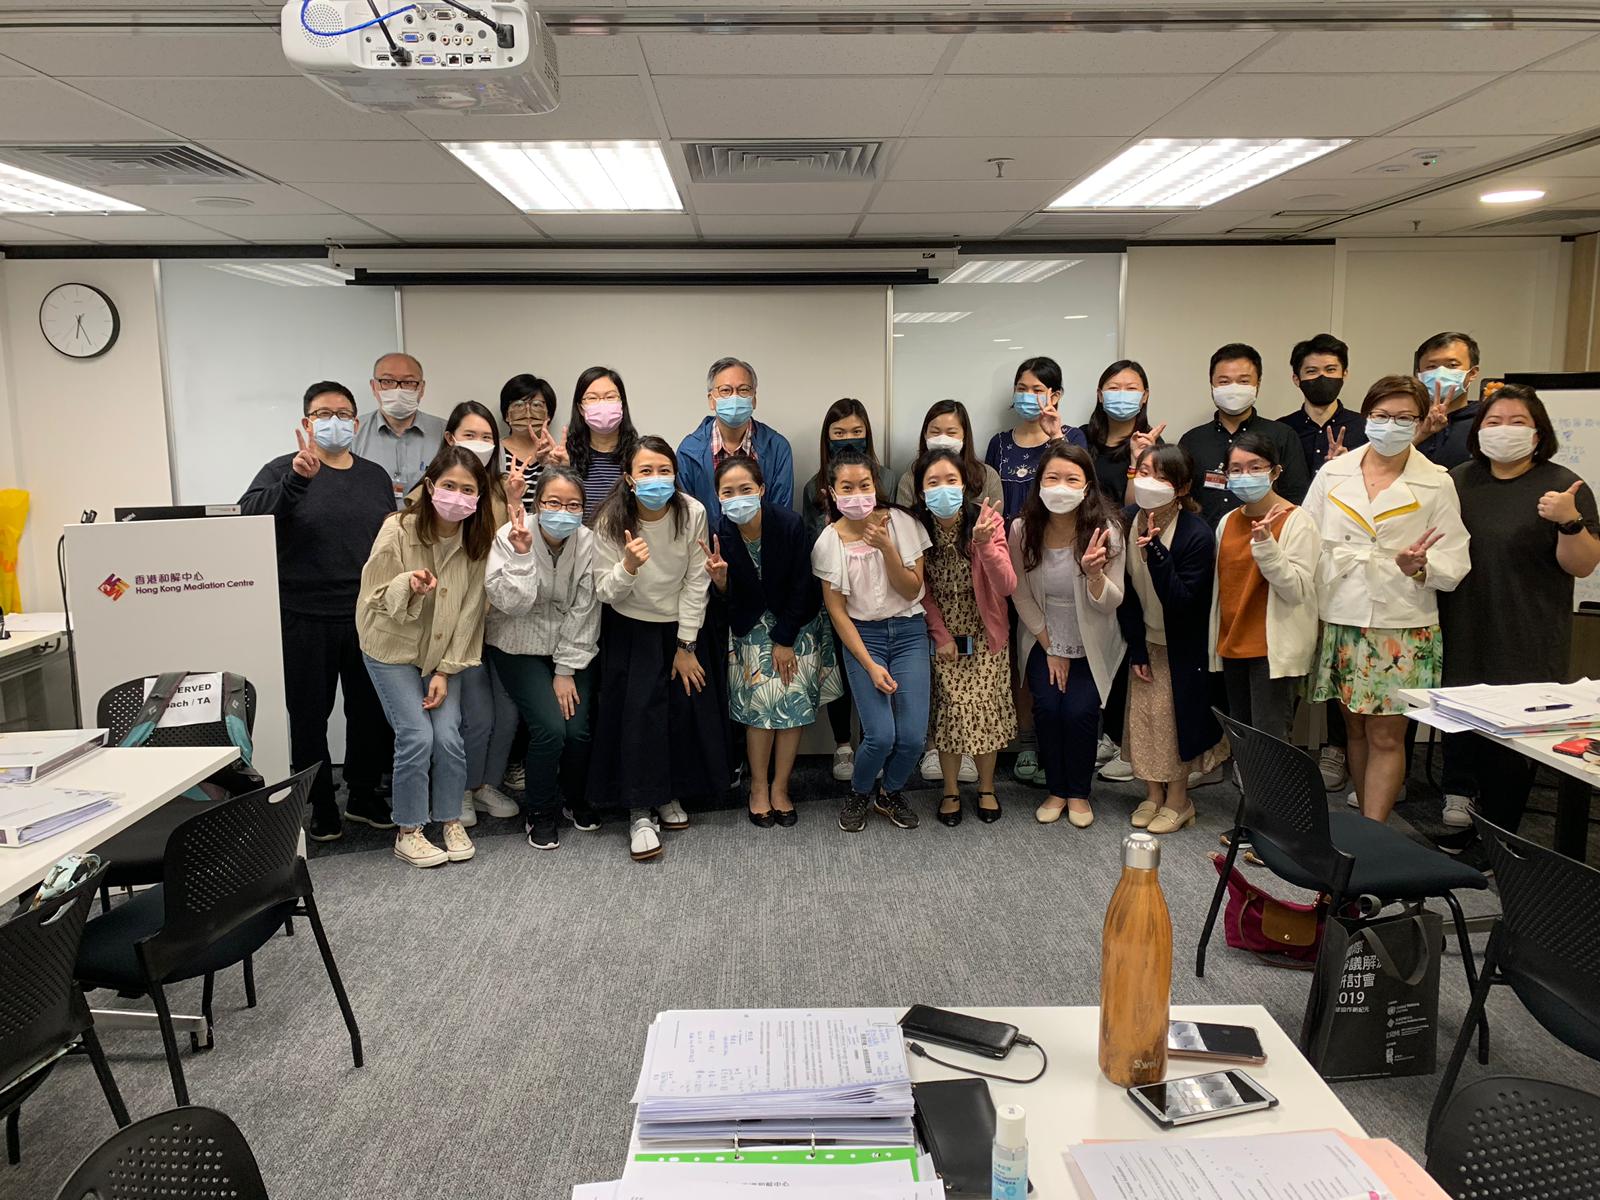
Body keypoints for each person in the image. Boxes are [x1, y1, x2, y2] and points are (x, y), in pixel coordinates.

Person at [1303, 375, 1471, 823]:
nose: (1390, 425)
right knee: (1354, 729)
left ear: (1420, 422)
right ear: (1367, 417)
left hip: (1402, 624)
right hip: (1341, 615)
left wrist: (1422, 567)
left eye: (1403, 418)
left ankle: (1373, 835)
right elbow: (1306, 537)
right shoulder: (1334, 472)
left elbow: (1456, 557)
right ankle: (1364, 824)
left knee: (1386, 736)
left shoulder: (1436, 481)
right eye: (1381, 415)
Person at [1437, 384, 1600, 846]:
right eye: (1493, 421)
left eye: (1517, 422)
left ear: (1538, 432)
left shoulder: (1564, 485)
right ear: (1478, 430)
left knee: (1511, 742)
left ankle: (1502, 838)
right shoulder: (1458, 480)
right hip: (1461, 625)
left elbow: (1583, 564)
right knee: (1461, 725)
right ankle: (1461, 813)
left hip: (1528, 633)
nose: (1503, 430)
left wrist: (1568, 521)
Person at [239, 381, 396, 841]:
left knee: (369, 712)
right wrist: (296, 481)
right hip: (303, 616)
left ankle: (363, 794)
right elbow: (248, 515)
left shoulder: (374, 476)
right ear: (307, 423)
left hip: (366, 614)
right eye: (323, 414)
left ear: (356, 422)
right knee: (310, 716)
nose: (334, 422)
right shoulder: (282, 469)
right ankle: (320, 802)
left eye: (343, 413)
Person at [588, 436, 729, 861]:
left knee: (682, 708)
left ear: (675, 474)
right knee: (638, 717)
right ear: (629, 478)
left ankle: (668, 794)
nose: (656, 479)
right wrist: (628, 566)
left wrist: (686, 644)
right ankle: (639, 812)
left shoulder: (692, 511)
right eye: (645, 471)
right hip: (631, 628)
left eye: (664, 470)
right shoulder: (610, 520)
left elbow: (696, 582)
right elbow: (605, 591)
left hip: (681, 626)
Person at [357, 445, 494, 868]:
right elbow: (373, 596)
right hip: (391, 649)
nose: (457, 496)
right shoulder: (398, 528)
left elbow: (471, 613)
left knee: (448, 735)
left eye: (467, 489)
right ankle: (409, 831)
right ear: (431, 486)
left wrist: (446, 671)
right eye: (449, 485)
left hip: (442, 656)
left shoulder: (477, 540)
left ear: (479, 496)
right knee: (417, 735)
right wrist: (408, 586)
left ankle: (450, 819)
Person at [707, 457, 842, 827]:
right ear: (718, 497)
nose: (737, 497)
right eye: (728, 492)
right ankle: (758, 788)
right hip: (749, 627)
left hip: (795, 624)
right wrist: (721, 583)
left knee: (792, 706)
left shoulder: (788, 523)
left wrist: (784, 639)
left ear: (761, 490)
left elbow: (803, 584)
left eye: (745, 489)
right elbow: (728, 602)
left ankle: (781, 787)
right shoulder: (719, 532)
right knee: (761, 710)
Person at [412, 403, 521, 829]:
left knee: (506, 713)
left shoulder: (502, 490)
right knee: (474, 716)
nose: (479, 444)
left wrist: (515, 503)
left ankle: (484, 784)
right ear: (450, 439)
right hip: (456, 625)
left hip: (501, 622)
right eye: (469, 435)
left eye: (487, 437)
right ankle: (460, 788)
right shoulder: (431, 494)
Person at [812, 447, 932, 833]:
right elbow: (837, 612)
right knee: (880, 736)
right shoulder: (828, 542)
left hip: (909, 632)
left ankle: (890, 792)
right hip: (863, 637)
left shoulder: (903, 523)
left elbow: (912, 589)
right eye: (846, 487)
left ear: (876, 485)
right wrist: (869, 664)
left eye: (864, 485)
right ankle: (860, 792)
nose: (857, 494)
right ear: (832, 492)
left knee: (912, 737)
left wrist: (886, 547)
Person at [1008, 444, 1126, 828]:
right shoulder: (1022, 529)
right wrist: (1051, 647)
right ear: (1039, 483)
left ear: (1087, 486)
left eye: (1072, 479)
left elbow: (1113, 601)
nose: (1061, 487)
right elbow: (1019, 593)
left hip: (1092, 639)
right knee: (1048, 709)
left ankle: (1078, 792)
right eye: (1052, 478)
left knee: (1079, 712)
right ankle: (1056, 790)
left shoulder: (1107, 531)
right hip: (1041, 635)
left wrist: (1094, 575)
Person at [483, 467, 600, 851]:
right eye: (553, 502)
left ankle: (575, 798)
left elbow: (586, 609)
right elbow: (510, 605)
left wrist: (565, 670)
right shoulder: (511, 534)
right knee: (550, 728)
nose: (563, 512)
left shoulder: (588, 542)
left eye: (573, 505)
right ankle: (540, 810)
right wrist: (521, 555)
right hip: (517, 644)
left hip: (571, 647)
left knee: (578, 729)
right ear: (537, 503)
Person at [1119, 444, 1228, 834]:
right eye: (1144, 472)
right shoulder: (1127, 520)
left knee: (1173, 723)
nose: (1150, 482)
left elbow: (1183, 603)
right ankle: (1152, 794)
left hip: (1183, 646)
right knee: (1143, 720)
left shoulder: (1197, 533)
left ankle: (1179, 801)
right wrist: (1135, 647)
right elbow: (1126, 594)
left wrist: (1157, 553)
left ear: (1181, 488)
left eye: (1162, 477)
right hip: (1146, 638)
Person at [911, 448, 1017, 825]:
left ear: (964, 485)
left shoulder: (986, 520)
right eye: (933, 482)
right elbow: (920, 590)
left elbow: (1006, 585)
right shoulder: (916, 527)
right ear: (921, 491)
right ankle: (951, 790)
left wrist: (984, 544)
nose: (943, 488)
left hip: (986, 635)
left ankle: (987, 788)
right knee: (950, 717)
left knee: (985, 714)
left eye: (951, 480)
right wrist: (940, 635)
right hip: (943, 637)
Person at [801, 398, 899, 785]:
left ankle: (875, 744)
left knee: (877, 668)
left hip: (880, 594)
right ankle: (843, 744)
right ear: (827, 437)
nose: (848, 439)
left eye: (856, 431)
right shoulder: (814, 486)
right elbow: (811, 541)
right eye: (839, 432)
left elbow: (896, 530)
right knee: (840, 669)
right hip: (835, 592)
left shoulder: (887, 478)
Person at [1207, 433, 1320, 744]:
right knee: (1242, 742)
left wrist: (1267, 546)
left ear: (1275, 471)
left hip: (1272, 651)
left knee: (1270, 744)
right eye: (1236, 469)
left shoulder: (1298, 521)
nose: (1246, 475)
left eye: (1255, 467)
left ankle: (1270, 782)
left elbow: (1296, 590)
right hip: (1232, 645)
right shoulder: (1227, 521)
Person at [1179, 343, 1309, 527]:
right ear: (1212, 385)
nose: (1234, 389)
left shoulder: (1282, 436)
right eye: (1224, 382)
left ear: (1258, 384)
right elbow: (1181, 499)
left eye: (1243, 381)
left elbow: (1296, 497)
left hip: (1268, 537)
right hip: (1205, 541)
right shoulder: (1192, 440)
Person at [678, 356, 795, 523]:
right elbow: (687, 516)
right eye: (725, 390)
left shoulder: (777, 448)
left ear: (754, 399)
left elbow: (782, 516)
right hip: (707, 539)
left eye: (743, 390)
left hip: (764, 539)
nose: (735, 397)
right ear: (711, 400)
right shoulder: (688, 452)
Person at [986, 356, 1088, 522]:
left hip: (1053, 532)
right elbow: (989, 498)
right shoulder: (999, 443)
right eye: (1021, 389)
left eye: (1037, 390)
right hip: (1006, 535)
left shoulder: (1073, 437)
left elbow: (1079, 489)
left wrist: (1055, 436)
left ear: (1054, 396)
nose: (1028, 395)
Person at [352, 352, 445, 507]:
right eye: (388, 381)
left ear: (421, 388)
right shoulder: (352, 432)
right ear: (373, 386)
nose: (398, 389)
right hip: (370, 522)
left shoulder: (444, 433)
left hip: (426, 522)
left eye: (408, 382)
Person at [1278, 333, 1366, 477]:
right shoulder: (1281, 430)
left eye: (1330, 370)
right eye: (1311, 371)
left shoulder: (1365, 428)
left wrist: (1348, 467)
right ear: (1296, 379)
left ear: (1344, 374)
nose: (1322, 377)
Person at [1081, 360, 1164, 506]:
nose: (1121, 395)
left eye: (1131, 389)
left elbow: (1138, 508)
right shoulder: (1082, 436)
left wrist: (1137, 462)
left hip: (1125, 520)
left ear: (1144, 396)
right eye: (1114, 388)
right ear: (1100, 395)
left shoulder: (1151, 443)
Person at [894, 400, 1003, 510]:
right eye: (935, 432)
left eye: (951, 433)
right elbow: (902, 518)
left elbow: (996, 517)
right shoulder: (909, 480)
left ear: (965, 436)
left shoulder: (988, 477)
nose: (942, 440)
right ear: (925, 434)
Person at [567, 366, 639, 526]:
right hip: (579, 541)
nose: (602, 405)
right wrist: (562, 470)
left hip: (627, 540)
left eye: (610, 397)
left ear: (622, 403)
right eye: (592, 398)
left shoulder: (639, 455)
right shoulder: (566, 455)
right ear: (580, 408)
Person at [1413, 331, 1483, 468]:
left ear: (1472, 373)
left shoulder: (1485, 421)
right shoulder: (1403, 418)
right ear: (1418, 374)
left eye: (1452, 365)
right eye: (1431, 366)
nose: (1441, 373)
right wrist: (1417, 438)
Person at [499, 374, 567, 514]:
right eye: (518, 405)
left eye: (537, 405)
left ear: (548, 415)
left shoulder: (559, 454)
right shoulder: (495, 453)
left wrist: (560, 468)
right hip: (504, 526)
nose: (528, 412)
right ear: (506, 415)